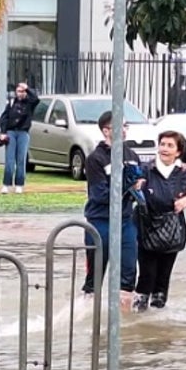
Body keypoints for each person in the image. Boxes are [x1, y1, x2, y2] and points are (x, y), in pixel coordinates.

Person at [135, 131, 186, 310]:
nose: (164, 149)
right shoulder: (146, 169)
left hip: (172, 227)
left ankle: (159, 312)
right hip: (147, 225)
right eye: (162, 144)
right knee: (147, 273)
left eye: (170, 145)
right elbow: (134, 190)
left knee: (164, 275)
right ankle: (139, 309)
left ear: (178, 152)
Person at [82, 111, 143, 303]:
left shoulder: (131, 154)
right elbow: (99, 195)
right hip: (101, 222)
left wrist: (140, 183)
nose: (124, 130)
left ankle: (124, 318)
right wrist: (127, 186)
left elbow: (141, 178)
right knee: (96, 271)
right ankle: (89, 311)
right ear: (106, 130)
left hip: (126, 221)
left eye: (126, 126)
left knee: (129, 270)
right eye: (120, 126)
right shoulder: (95, 159)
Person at [0, 82, 38, 194]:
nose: (20, 93)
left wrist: (27, 88)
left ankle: (19, 184)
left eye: (23, 91)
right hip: (11, 132)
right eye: (19, 91)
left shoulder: (29, 103)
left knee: (21, 159)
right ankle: (6, 184)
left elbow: (35, 99)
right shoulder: (11, 103)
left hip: (23, 133)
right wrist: (3, 132)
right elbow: (4, 118)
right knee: (9, 160)